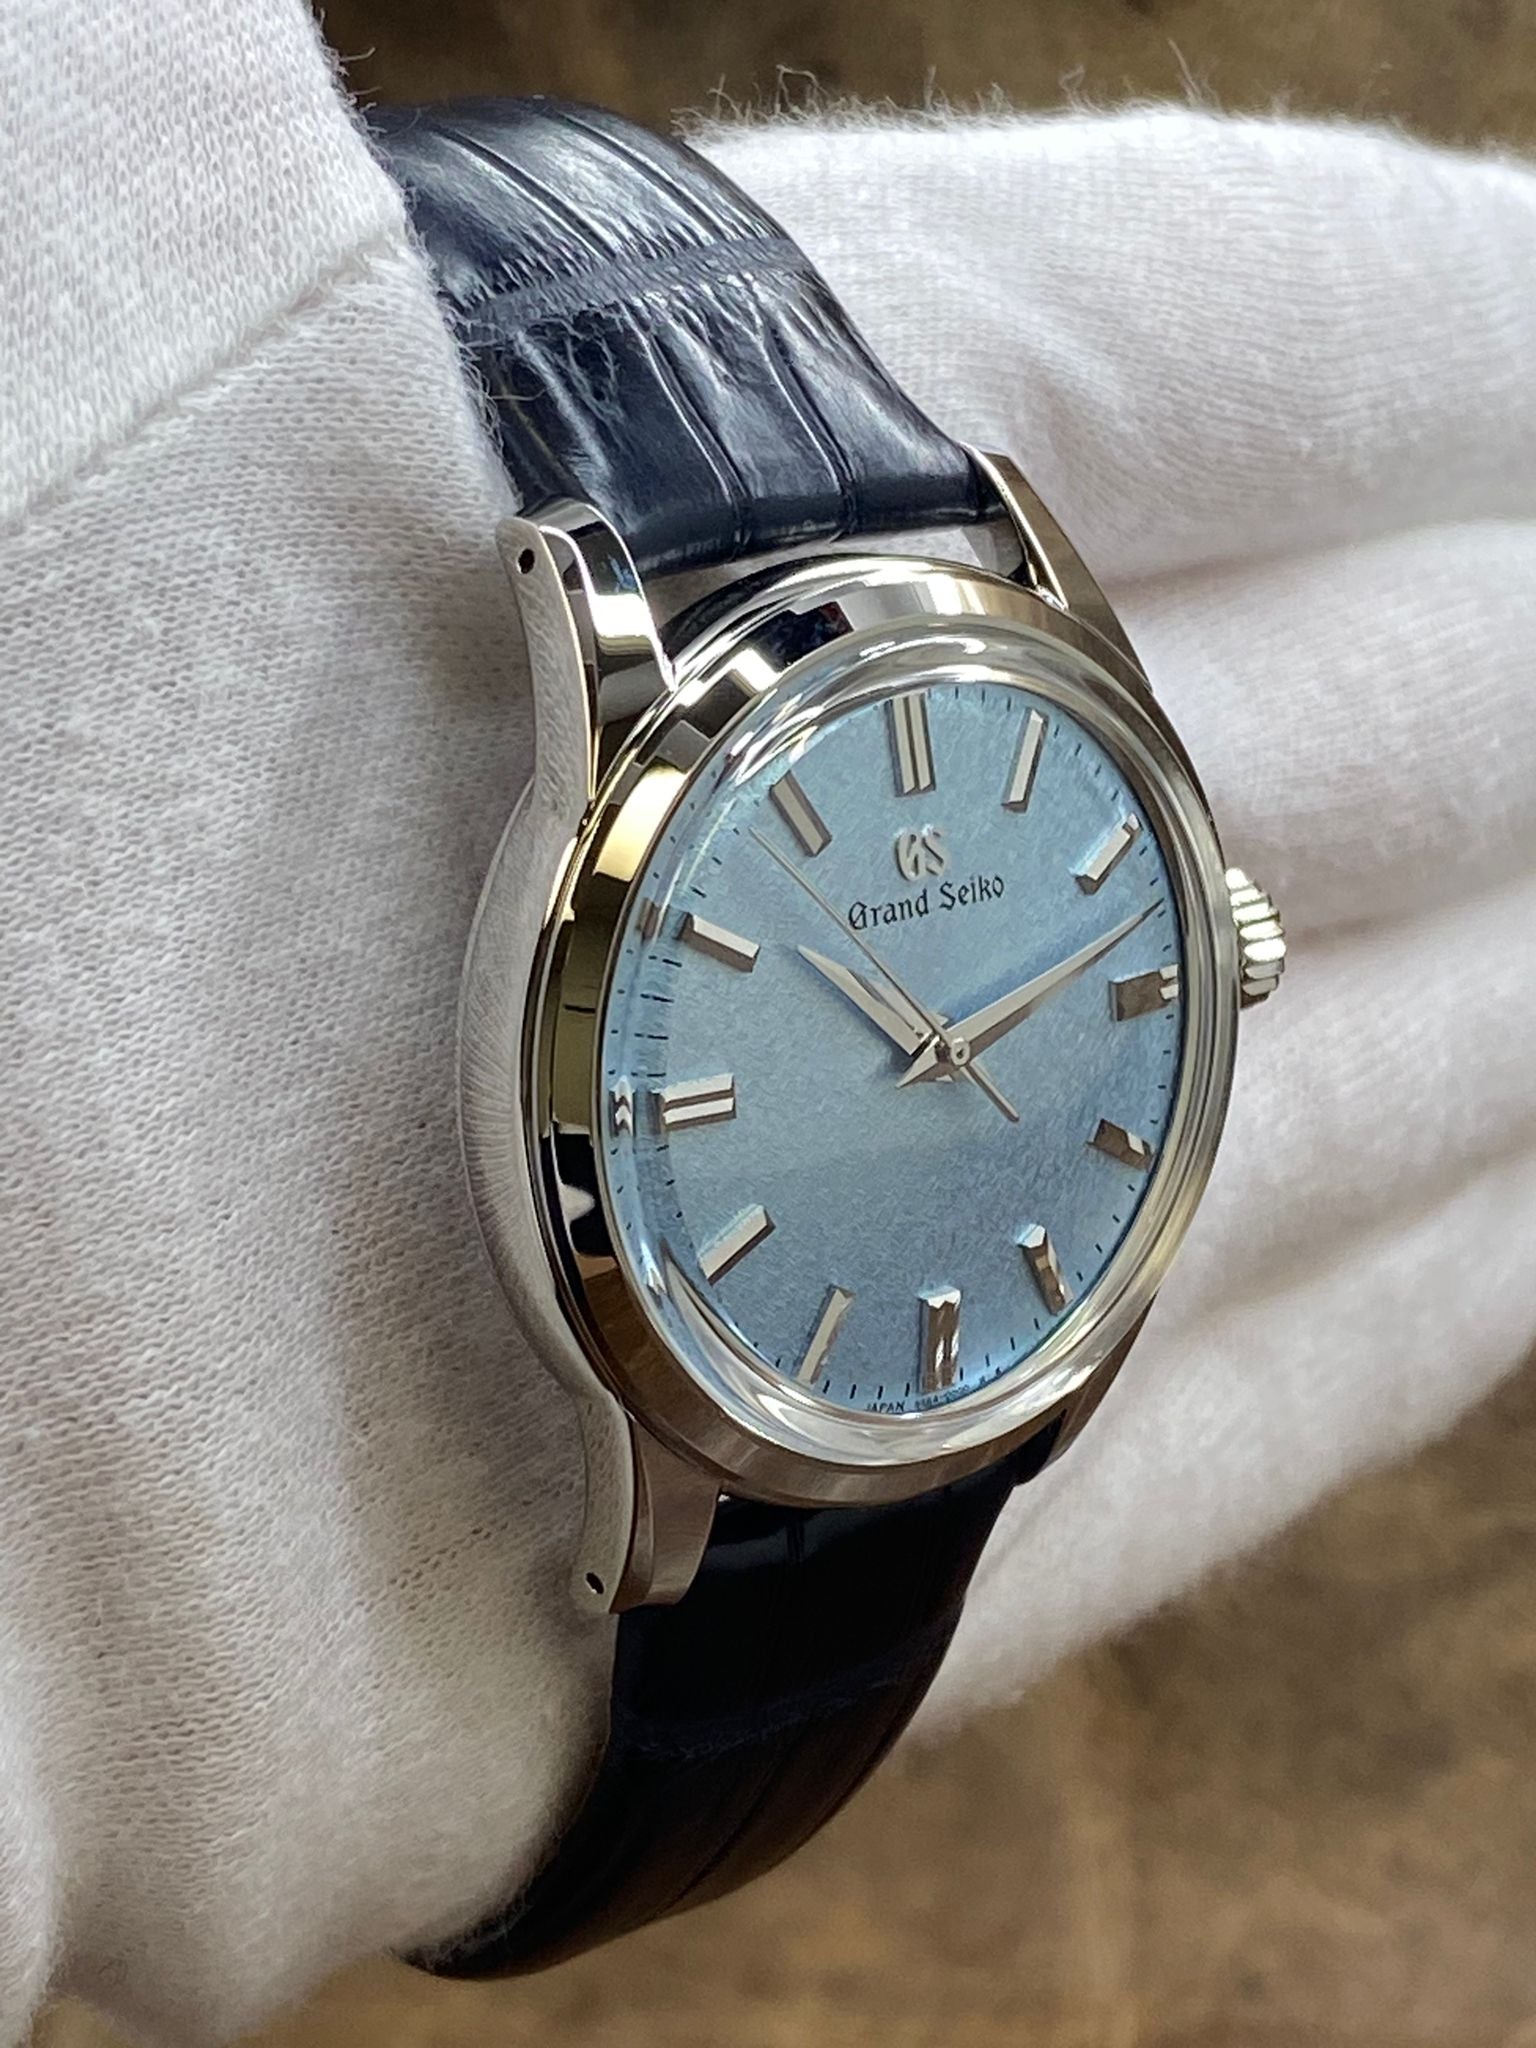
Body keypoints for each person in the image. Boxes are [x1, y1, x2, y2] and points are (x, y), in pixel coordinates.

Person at [3, 2, 1535, 2041]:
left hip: (917, 1324)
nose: (949, 1045)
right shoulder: (630, 649)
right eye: (939, 1035)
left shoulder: (1068, 759)